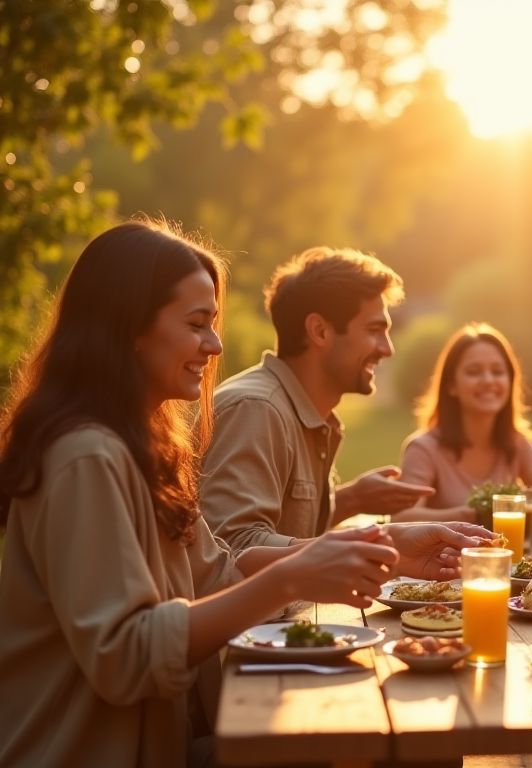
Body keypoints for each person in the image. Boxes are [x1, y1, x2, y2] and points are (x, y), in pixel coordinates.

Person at [0, 220, 490, 767]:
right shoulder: (86, 456)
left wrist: (389, 545)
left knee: (419, 742)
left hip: (167, 748)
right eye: (197, 324)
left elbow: (221, 571)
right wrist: (294, 574)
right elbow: (126, 655)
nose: (214, 345)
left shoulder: (144, 450)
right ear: (127, 328)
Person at [199, 246, 435, 552]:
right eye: (375, 330)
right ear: (320, 331)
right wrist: (372, 546)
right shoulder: (256, 410)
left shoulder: (303, 413)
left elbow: (282, 529)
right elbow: (234, 548)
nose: (387, 349)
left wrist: (353, 499)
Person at [395, 322, 532, 523]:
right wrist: (473, 514)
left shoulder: (518, 444)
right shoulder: (424, 449)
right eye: (474, 371)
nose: (488, 380)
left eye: (497, 372)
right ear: (451, 385)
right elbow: (402, 518)